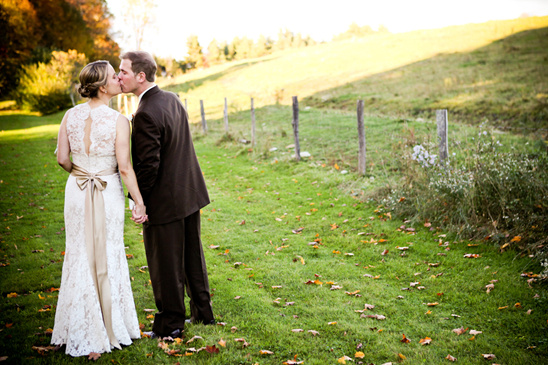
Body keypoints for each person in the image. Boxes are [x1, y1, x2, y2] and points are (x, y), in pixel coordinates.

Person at [52, 60, 147, 357]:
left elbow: (61, 159)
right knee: (107, 252)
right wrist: (139, 202)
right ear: (103, 87)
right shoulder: (120, 121)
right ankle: (104, 329)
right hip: (106, 191)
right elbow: (125, 169)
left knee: (79, 251)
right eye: (113, 77)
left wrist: (80, 172)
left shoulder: (70, 116)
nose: (120, 79)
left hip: (77, 189)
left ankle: (75, 328)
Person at [118, 51, 214, 339]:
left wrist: (139, 201)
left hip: (166, 201)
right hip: (189, 193)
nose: (119, 76)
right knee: (192, 257)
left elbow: (148, 167)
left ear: (140, 76)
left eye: (123, 71)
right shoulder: (170, 98)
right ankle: (203, 313)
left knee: (166, 265)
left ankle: (171, 324)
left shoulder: (145, 112)